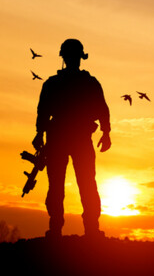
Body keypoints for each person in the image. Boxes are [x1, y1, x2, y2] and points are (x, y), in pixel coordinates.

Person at [32, 39, 111, 238]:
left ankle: (81, 228)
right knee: (69, 184)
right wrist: (39, 133)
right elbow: (42, 111)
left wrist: (106, 132)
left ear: (64, 57)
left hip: (67, 139)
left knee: (80, 183)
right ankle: (68, 228)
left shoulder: (56, 83)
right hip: (66, 140)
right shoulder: (85, 83)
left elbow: (102, 109)